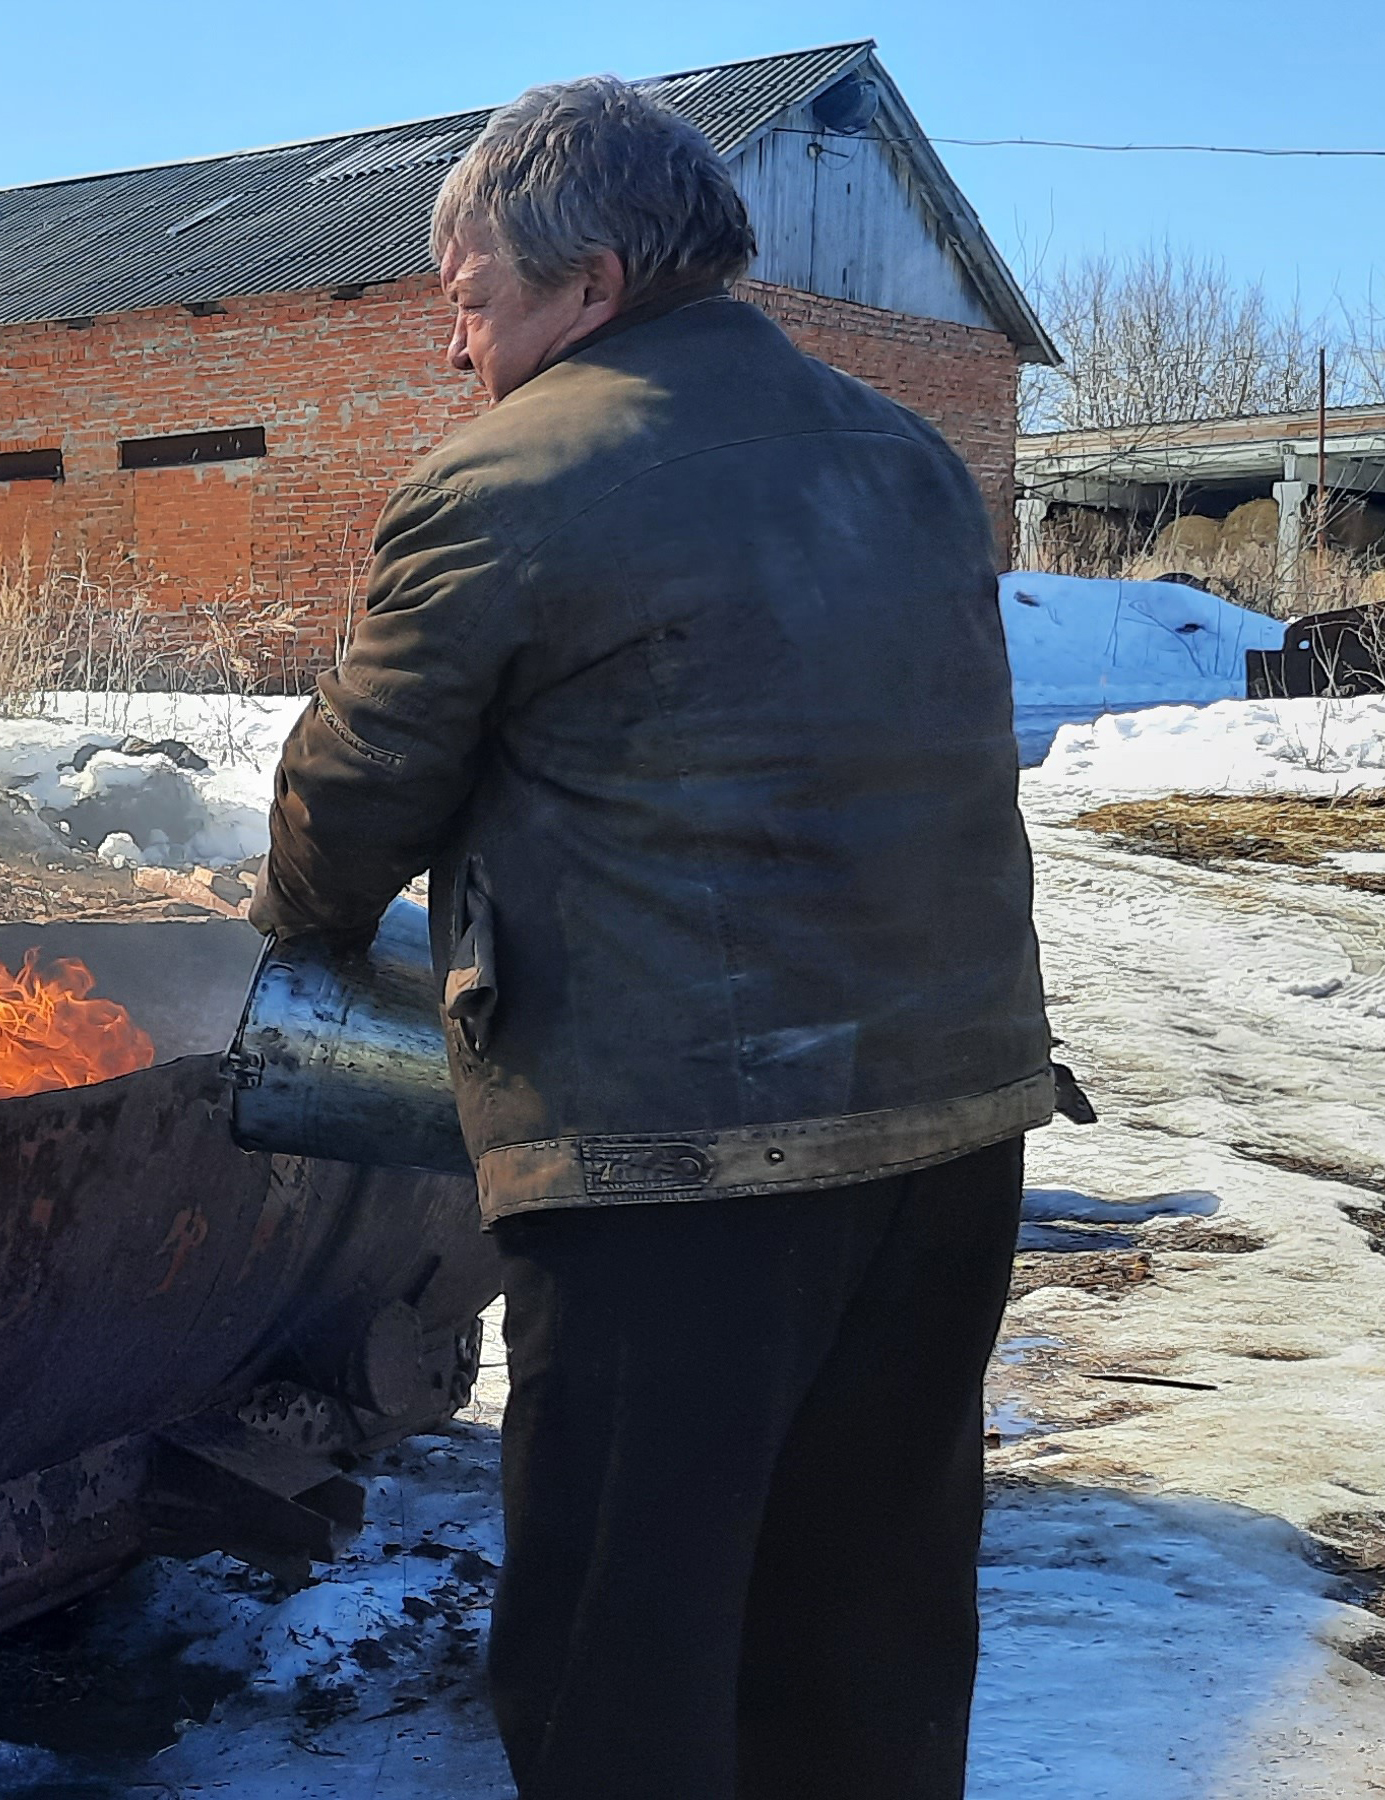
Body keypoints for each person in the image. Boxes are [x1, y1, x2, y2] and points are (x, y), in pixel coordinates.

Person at [253, 75, 1057, 1800]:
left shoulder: (503, 482)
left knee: (628, 1647)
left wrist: (295, 929)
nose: (450, 353)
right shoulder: (904, 451)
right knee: (867, 1625)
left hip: (679, 1165)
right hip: (953, 1124)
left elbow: (362, 782)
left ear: (592, 283)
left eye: (469, 304)